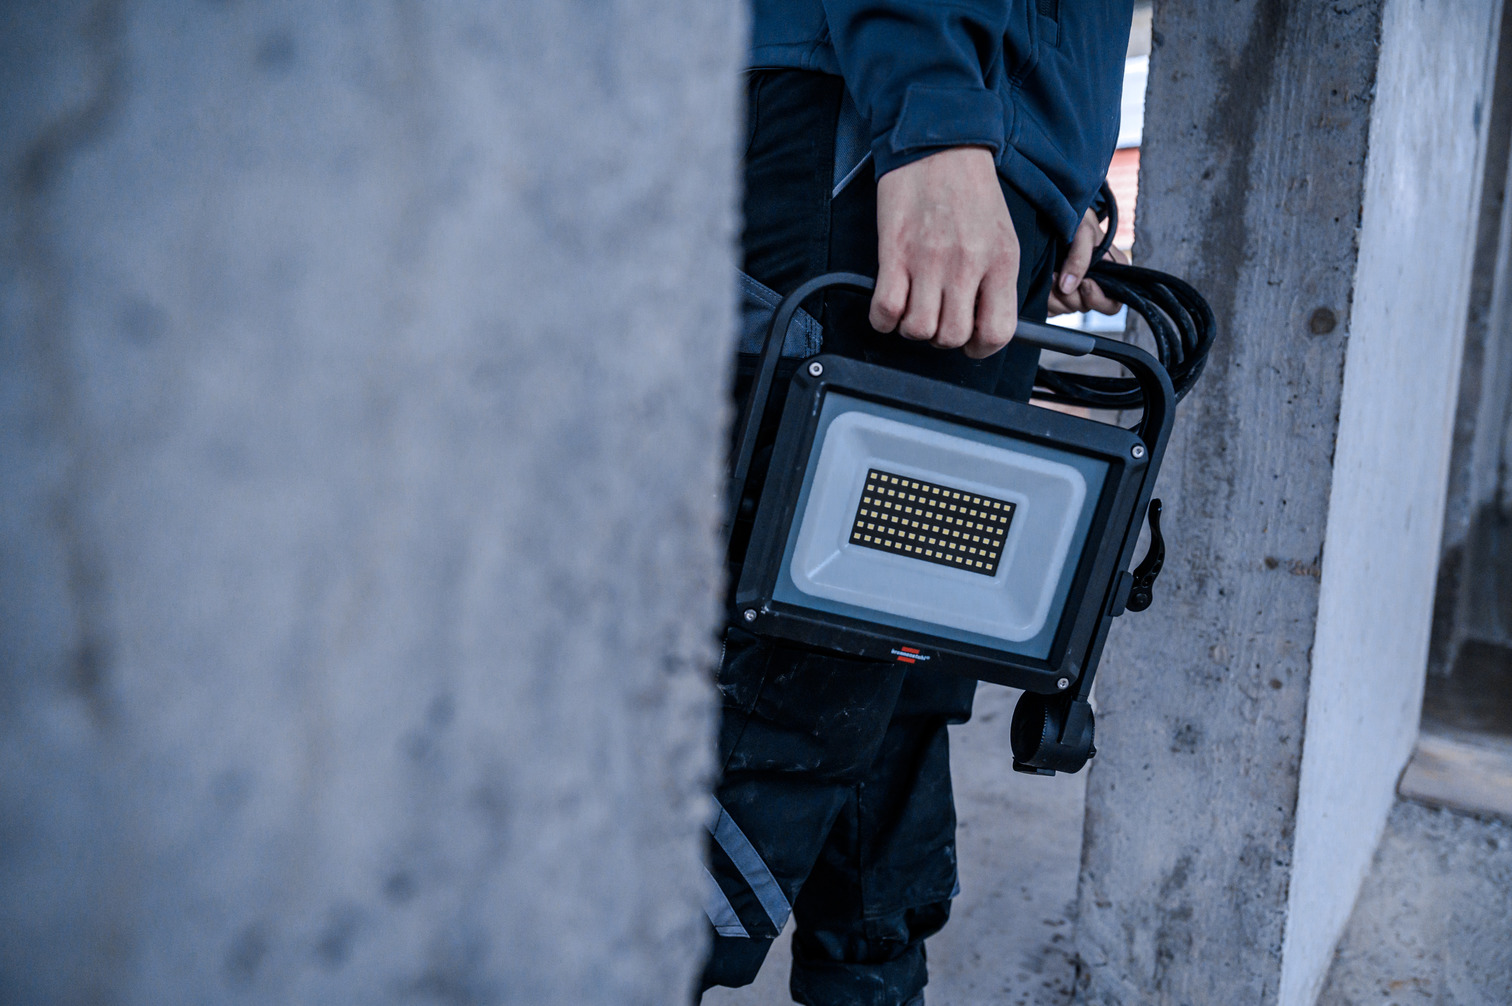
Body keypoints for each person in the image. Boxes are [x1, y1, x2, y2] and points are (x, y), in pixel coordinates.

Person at [702, 4, 1133, 1003]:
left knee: (898, 661)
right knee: (782, 696)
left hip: (975, 140)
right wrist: (934, 111)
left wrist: (1061, 176)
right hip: (881, 110)